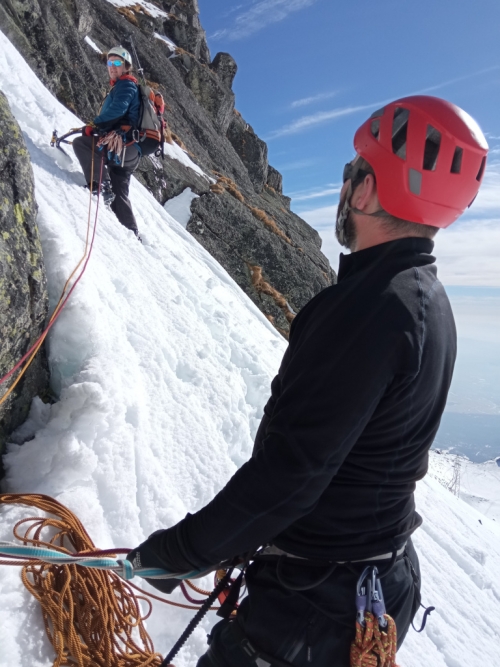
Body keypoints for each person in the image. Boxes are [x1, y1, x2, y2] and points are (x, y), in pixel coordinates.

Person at [127, 96, 488, 666]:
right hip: (374, 581)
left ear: (365, 190)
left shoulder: (365, 308)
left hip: (314, 607)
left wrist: (178, 552)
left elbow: (293, 473)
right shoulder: (428, 300)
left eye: (351, 175)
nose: (344, 189)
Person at [73, 46, 142, 238]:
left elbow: (119, 109)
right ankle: (132, 232)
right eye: (109, 62)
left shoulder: (126, 84)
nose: (112, 66)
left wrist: (95, 125)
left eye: (117, 63)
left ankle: (98, 186)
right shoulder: (126, 85)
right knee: (119, 191)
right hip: (131, 151)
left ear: (126, 67)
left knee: (82, 144)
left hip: (122, 145)